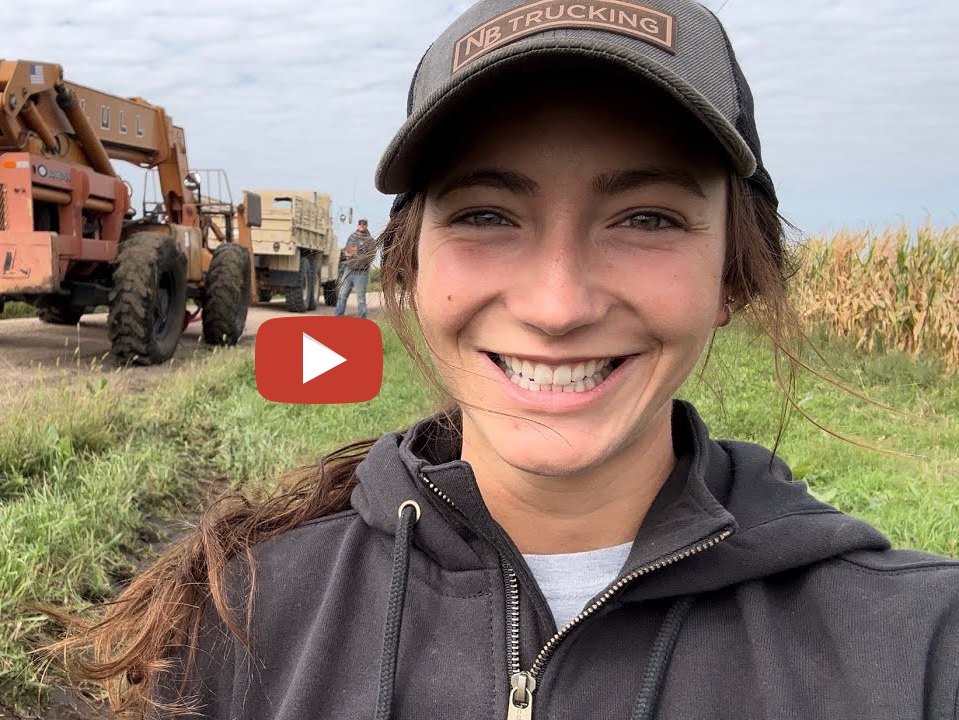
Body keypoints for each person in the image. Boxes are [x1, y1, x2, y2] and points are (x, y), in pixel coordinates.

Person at [48, 2, 959, 718]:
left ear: (732, 272)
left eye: (645, 217)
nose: (556, 306)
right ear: (410, 263)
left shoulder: (919, 649)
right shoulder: (240, 616)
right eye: (486, 214)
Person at [334, 218, 376, 318]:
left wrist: (360, 257)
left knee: (361, 299)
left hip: (361, 273)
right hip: (349, 270)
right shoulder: (352, 236)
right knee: (342, 296)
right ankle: (337, 317)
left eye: (364, 223)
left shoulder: (370, 240)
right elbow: (345, 250)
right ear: (358, 225)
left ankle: (361, 320)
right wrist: (347, 253)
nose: (362, 225)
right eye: (360, 223)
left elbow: (371, 256)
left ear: (366, 225)